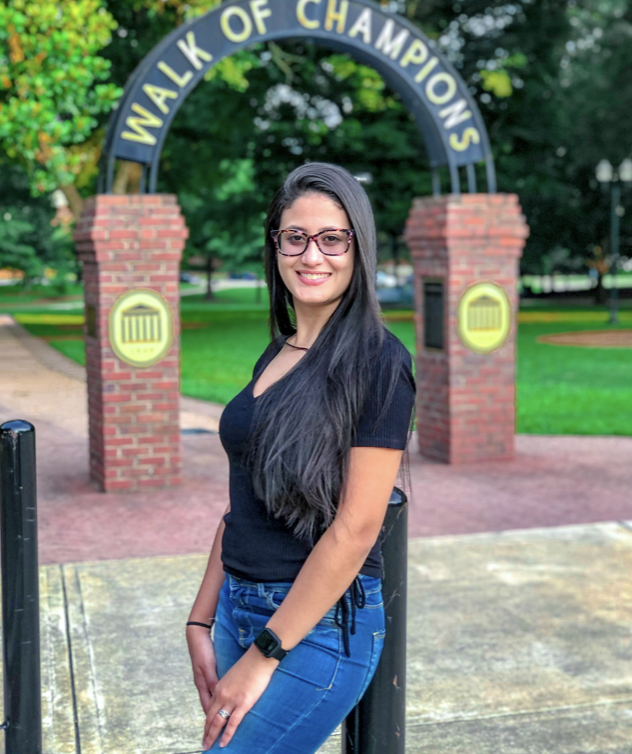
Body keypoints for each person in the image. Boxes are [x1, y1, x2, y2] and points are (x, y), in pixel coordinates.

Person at [186, 162, 416, 753]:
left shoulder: (379, 362)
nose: (312, 255)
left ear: (357, 247)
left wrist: (265, 655)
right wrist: (200, 616)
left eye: (332, 238)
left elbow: (356, 528)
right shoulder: (278, 352)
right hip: (241, 607)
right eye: (296, 237)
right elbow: (243, 497)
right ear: (276, 245)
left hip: (315, 629)